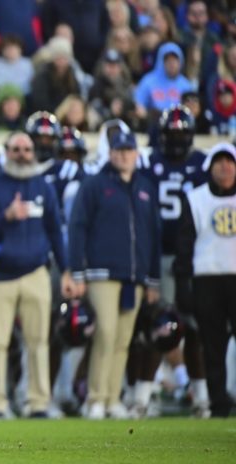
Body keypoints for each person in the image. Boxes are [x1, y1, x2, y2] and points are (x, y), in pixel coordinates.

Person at [0, 131, 74, 418]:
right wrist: (5, 216)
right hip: (0, 275)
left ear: (34, 152)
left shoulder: (43, 186)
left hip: (36, 273)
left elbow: (56, 231)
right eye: (16, 149)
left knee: (38, 341)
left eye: (27, 149)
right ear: (6, 151)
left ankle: (38, 402)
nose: (22, 154)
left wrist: (66, 270)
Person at [69, 131, 162, 419]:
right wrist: (78, 272)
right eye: (118, 150)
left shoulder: (145, 187)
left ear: (136, 154)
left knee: (123, 339)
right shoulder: (95, 185)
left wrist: (153, 278)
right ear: (110, 153)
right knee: (106, 334)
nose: (123, 155)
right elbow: (77, 227)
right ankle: (95, 399)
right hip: (101, 273)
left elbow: (153, 235)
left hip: (134, 276)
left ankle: (112, 398)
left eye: (128, 150)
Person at [131, 105, 210, 418]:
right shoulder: (149, 163)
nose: (176, 138)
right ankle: (141, 398)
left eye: (181, 133)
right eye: (171, 133)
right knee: (158, 327)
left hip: (194, 257)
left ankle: (202, 397)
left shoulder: (203, 164)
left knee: (195, 329)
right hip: (160, 254)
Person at [175, 142, 236, 418]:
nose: (225, 167)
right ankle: (218, 403)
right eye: (219, 162)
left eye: (230, 162)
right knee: (212, 345)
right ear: (209, 168)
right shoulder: (196, 198)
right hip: (207, 278)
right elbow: (185, 244)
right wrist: (182, 286)